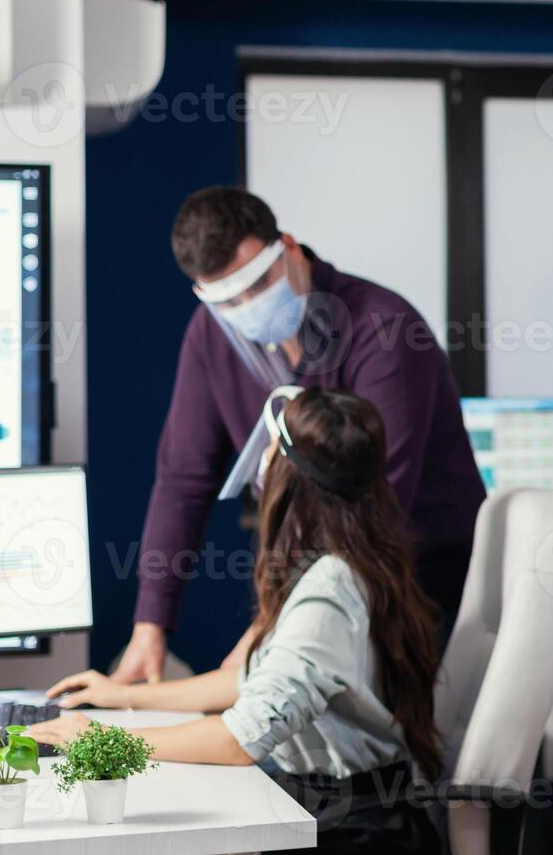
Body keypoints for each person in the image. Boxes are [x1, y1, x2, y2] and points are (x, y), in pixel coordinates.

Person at [32, 388, 442, 854]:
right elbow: (248, 684)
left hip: (349, 831)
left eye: (268, 452)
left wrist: (102, 738)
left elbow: (240, 739)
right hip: (332, 809)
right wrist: (122, 694)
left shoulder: (328, 595)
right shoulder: (347, 560)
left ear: (286, 476)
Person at [114, 187, 485, 683]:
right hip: (307, 583)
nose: (246, 306)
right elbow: (183, 480)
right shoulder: (212, 334)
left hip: (415, 580)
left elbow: (374, 505)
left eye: (257, 282)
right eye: (226, 300)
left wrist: (275, 624)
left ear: (287, 246)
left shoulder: (384, 331)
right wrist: (150, 624)